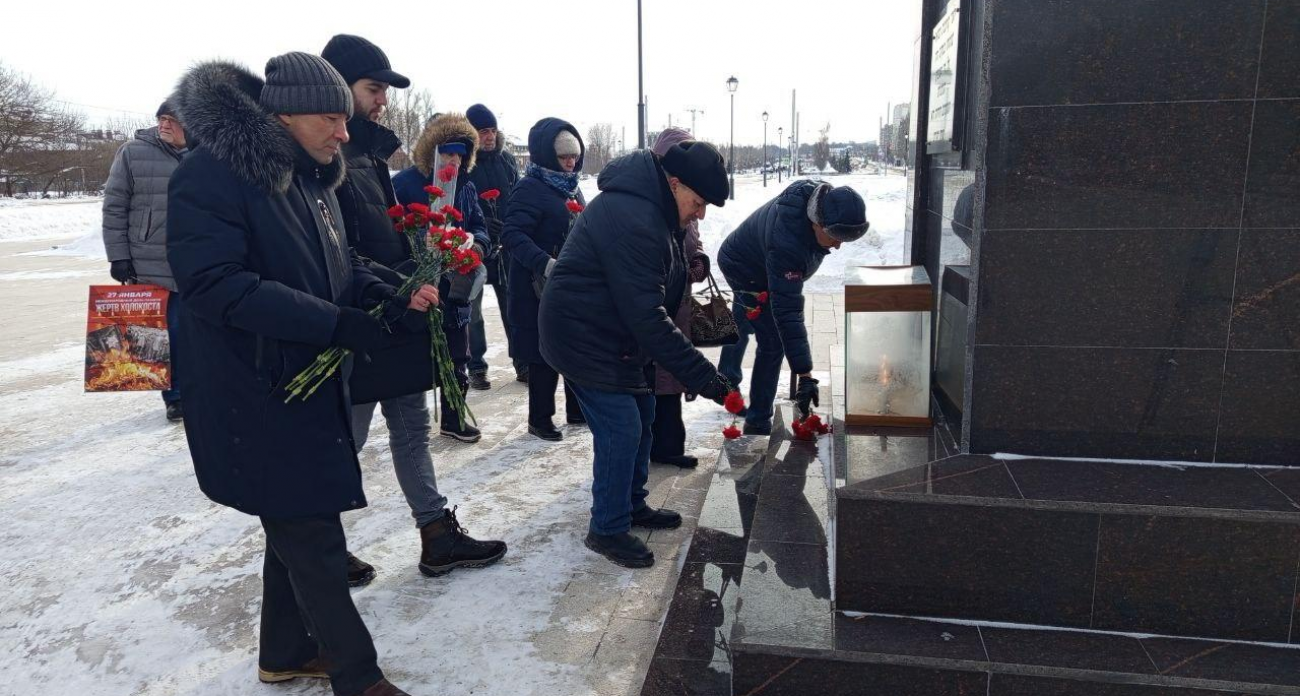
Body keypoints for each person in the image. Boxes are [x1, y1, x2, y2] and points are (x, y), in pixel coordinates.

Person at [167, 53, 421, 696]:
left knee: (296, 517)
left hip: (302, 379)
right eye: (330, 117)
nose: (344, 132)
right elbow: (215, 284)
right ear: (282, 116)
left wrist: (385, 291)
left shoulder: (312, 177)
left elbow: (336, 264)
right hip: (251, 389)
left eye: (344, 117)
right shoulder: (212, 174)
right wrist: (335, 324)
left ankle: (284, 651)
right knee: (312, 534)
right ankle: (358, 679)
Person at [324, 35, 506, 585]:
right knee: (343, 438)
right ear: (337, 87)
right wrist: (397, 284)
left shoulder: (369, 155)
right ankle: (321, 542)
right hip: (358, 320)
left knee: (410, 427)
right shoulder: (329, 161)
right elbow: (338, 249)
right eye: (373, 88)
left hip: (401, 312)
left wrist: (433, 257)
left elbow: (385, 235)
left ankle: (436, 534)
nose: (382, 100)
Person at [538, 139, 733, 568]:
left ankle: (631, 505)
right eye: (699, 202)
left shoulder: (655, 208)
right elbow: (648, 315)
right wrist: (706, 378)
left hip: (614, 332)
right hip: (582, 336)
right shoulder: (634, 216)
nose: (701, 213)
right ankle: (606, 527)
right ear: (675, 182)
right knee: (622, 428)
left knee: (643, 416)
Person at [716, 180, 869, 434]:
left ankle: (727, 384)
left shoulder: (822, 203)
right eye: (834, 236)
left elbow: (788, 298)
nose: (838, 245)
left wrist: (803, 374)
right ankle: (758, 420)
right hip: (742, 266)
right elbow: (787, 312)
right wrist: (805, 374)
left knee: (744, 322)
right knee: (772, 340)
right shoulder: (788, 241)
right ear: (816, 222)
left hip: (762, 262)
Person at [392, 112, 492, 443]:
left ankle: (453, 416)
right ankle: (411, 425)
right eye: (447, 153)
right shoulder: (404, 184)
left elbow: (480, 226)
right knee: (418, 355)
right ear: (432, 152)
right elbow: (391, 233)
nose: (453, 161)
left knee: (457, 354)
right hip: (418, 284)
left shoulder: (466, 186)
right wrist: (421, 241)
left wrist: (473, 246)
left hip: (456, 286)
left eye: (460, 156)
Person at [501, 118, 587, 441]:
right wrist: (545, 262)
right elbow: (512, 234)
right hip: (537, 285)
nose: (570, 162)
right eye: (564, 156)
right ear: (547, 155)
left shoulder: (571, 184)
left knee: (573, 346)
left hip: (569, 284)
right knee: (543, 354)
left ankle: (577, 410)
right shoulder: (530, 187)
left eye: (574, 156)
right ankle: (540, 418)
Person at [102, 100, 188, 422]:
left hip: (196, 262)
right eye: (161, 119)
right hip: (150, 263)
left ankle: (201, 390)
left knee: (200, 334)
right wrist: (119, 256)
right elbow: (114, 206)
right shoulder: (132, 153)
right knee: (165, 335)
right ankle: (175, 396)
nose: (164, 125)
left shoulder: (206, 156)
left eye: (172, 120)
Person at [648, 128, 711, 469]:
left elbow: (693, 239)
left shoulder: (686, 195)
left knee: (670, 379)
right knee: (655, 379)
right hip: (654, 303)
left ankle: (669, 446)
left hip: (678, 304)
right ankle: (655, 447)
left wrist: (698, 260)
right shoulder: (653, 202)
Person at [465, 103, 524, 388]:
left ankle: (521, 361)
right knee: (473, 310)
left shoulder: (507, 160)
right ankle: (476, 366)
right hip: (474, 244)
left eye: (492, 130)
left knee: (512, 305)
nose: (489, 136)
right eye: (483, 131)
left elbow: (518, 195)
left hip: (506, 243)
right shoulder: (464, 163)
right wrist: (481, 225)